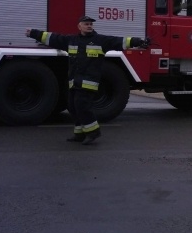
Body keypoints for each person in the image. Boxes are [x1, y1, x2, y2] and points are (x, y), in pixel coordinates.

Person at [25, 16, 149, 145]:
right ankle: (79, 134)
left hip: (89, 82)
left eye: (90, 24)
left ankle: (93, 132)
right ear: (79, 26)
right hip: (74, 81)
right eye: (86, 24)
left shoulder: (100, 40)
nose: (89, 26)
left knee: (82, 105)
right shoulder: (71, 40)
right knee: (73, 107)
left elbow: (119, 41)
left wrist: (137, 41)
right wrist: (33, 33)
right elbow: (53, 38)